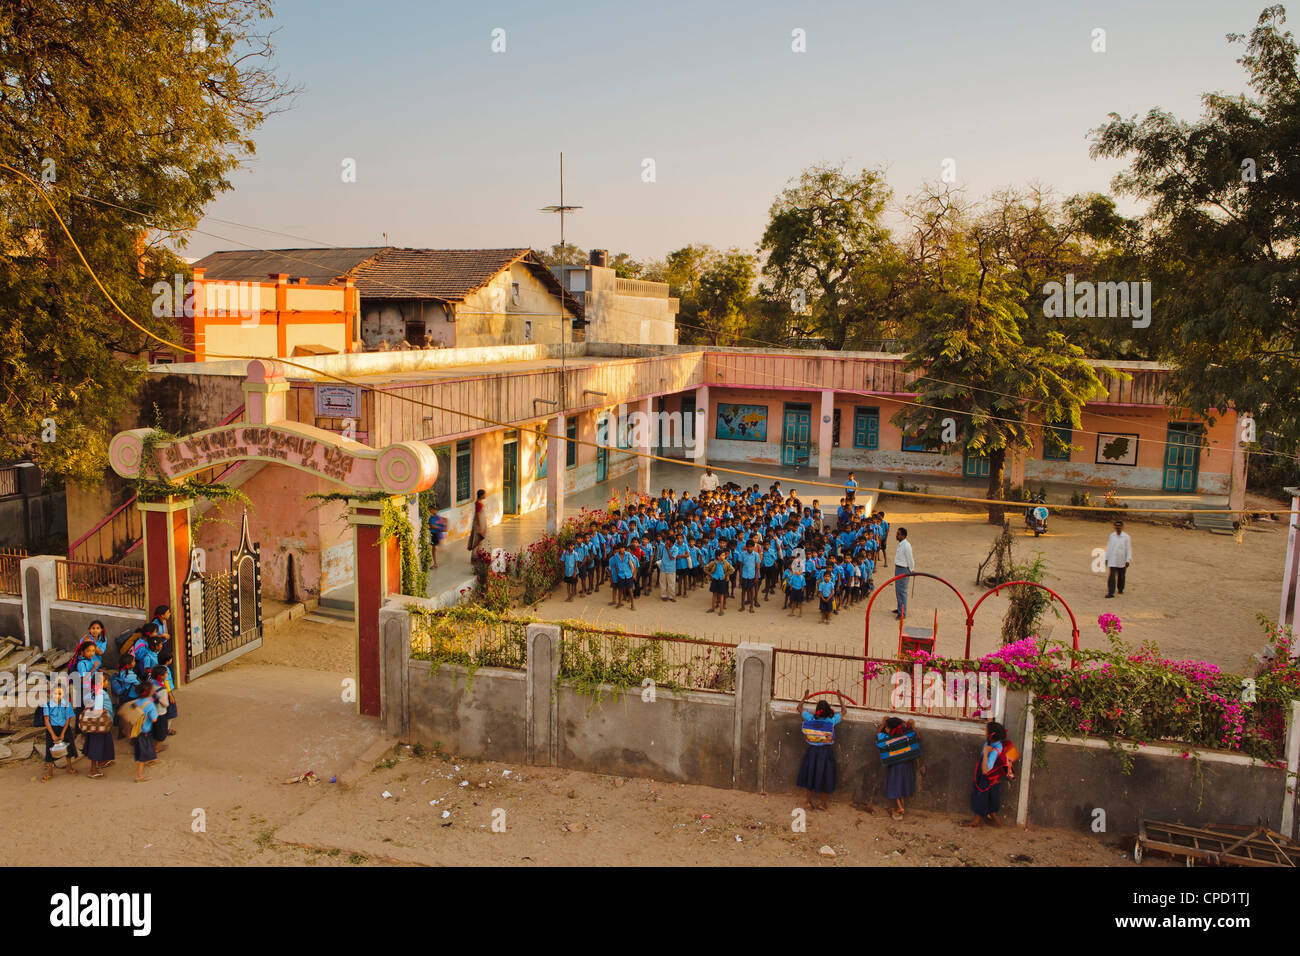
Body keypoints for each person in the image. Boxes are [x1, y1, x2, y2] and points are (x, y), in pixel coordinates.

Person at [962, 721, 1014, 827]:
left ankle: (976, 821)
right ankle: (997, 822)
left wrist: (985, 753)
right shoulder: (993, 742)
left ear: (992, 734)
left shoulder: (994, 750)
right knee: (990, 799)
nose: (984, 732)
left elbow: (986, 771)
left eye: (986, 731)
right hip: (993, 779)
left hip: (987, 779)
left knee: (980, 797)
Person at [797, 698, 841, 810]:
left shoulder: (810, 718)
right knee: (825, 776)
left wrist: (804, 697)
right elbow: (844, 711)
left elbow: (799, 708)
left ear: (817, 710)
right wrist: (839, 698)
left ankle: (808, 801)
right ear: (828, 711)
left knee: (810, 774)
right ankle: (823, 803)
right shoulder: (832, 720)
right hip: (826, 752)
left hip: (812, 752)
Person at [878, 716, 919, 820]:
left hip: (895, 766)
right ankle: (901, 807)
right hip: (907, 765)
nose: (886, 729)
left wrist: (883, 723)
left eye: (887, 727)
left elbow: (878, 735)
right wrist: (912, 726)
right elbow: (917, 737)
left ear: (891, 729)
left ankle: (900, 808)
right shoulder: (906, 736)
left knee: (895, 786)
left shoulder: (887, 738)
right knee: (903, 785)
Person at [41, 680, 79, 781]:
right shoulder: (47, 705)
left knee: (69, 747)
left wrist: (62, 733)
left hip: (64, 728)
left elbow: (68, 720)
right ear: (51, 693)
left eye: (59, 693)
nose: (57, 696)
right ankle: (49, 772)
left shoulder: (67, 704)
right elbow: (46, 720)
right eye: (55, 693)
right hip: (51, 728)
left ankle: (69, 767)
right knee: (49, 749)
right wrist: (53, 735)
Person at [80, 671, 116, 778]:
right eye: (106, 681)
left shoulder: (91, 692)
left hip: (96, 725)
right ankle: (93, 770)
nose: (107, 683)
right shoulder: (100, 693)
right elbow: (97, 710)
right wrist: (103, 711)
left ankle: (102, 761)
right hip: (99, 725)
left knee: (102, 743)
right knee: (96, 746)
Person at [133, 680, 161, 783]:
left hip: (136, 729)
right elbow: (154, 719)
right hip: (144, 730)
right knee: (143, 753)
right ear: (149, 692)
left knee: (147, 746)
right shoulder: (150, 705)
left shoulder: (136, 701)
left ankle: (152, 758)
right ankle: (139, 775)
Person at [1104, 520, 1132, 598]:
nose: (1118, 527)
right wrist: (1106, 558)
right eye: (1116, 526)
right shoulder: (1112, 536)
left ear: (1122, 527)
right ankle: (1111, 592)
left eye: (1119, 526)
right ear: (1114, 527)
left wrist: (1128, 560)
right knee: (1112, 576)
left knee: (1121, 576)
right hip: (1112, 559)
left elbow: (1128, 549)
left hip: (1122, 559)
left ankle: (1120, 588)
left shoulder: (1126, 537)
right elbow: (1109, 547)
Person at [892, 527, 913, 618]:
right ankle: (900, 608)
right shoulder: (901, 544)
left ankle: (902, 613)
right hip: (898, 568)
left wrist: (911, 570)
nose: (896, 535)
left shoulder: (906, 546)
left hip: (903, 569)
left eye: (898, 534)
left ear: (903, 536)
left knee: (902, 591)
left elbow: (910, 559)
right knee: (898, 590)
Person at [467, 489, 487, 561]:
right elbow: (478, 515)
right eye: (484, 494)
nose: (485, 495)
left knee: (479, 541)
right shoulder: (478, 504)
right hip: (478, 525)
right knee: (477, 540)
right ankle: (475, 557)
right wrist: (480, 527)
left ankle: (478, 555)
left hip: (479, 524)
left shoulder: (479, 502)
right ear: (481, 495)